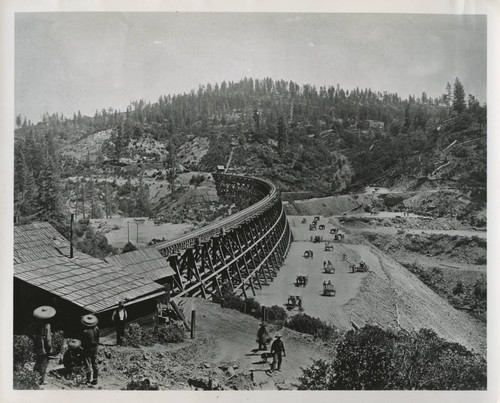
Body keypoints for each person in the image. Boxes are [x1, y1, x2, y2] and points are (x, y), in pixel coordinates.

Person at [32, 306, 55, 385]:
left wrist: (35, 339)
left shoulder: (35, 324)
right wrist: (50, 348)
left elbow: (29, 332)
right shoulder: (47, 325)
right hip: (44, 347)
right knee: (44, 363)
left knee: (38, 361)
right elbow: (48, 339)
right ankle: (41, 380)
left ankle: (34, 377)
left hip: (38, 345)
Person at [81, 314, 100, 386]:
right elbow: (98, 338)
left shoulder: (85, 332)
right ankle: (95, 379)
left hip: (88, 349)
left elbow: (83, 343)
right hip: (95, 348)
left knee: (87, 364)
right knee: (95, 364)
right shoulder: (97, 328)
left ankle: (88, 380)